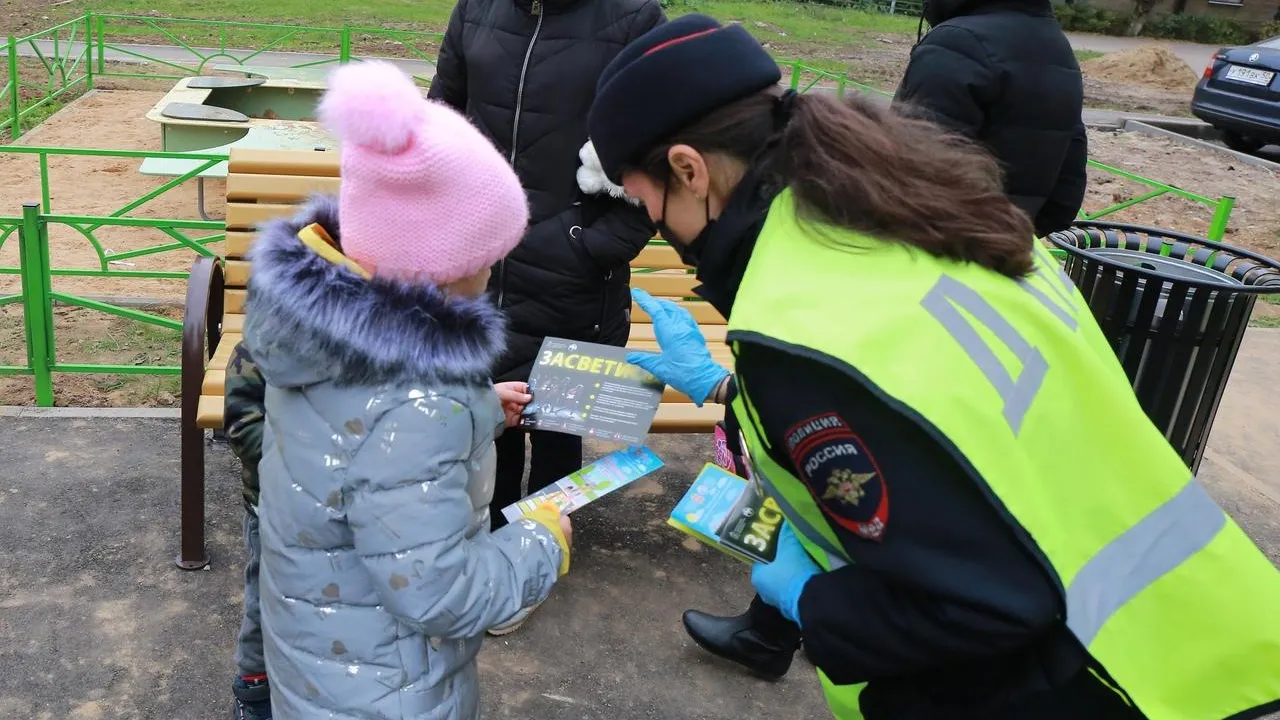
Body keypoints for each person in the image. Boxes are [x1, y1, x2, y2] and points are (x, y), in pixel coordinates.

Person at [586, 15, 1280, 719]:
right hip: (1214, 640)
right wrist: (726, 388)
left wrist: (812, 600)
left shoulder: (802, 322)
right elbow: (944, 416)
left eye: (646, 204)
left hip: (1093, 688)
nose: (659, 232)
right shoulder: (938, 218)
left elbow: (972, 607)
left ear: (688, 168)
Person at [243, 61, 572, 719]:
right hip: (390, 691)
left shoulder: (325, 342)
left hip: (320, 662)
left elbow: (359, 445)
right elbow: (440, 592)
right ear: (444, 266)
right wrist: (541, 542)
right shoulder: (417, 404)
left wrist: (477, 410)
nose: (491, 269)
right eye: (486, 255)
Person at [428, 0, 665, 623]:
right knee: (487, 415)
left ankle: (540, 555)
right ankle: (485, 557)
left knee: (557, 427)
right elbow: (440, 117)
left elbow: (663, 146)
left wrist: (592, 245)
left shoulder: (633, 17)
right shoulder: (477, 9)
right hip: (478, 259)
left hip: (575, 275)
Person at [893, 0, 1088, 238]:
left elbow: (908, 175)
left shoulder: (957, 42)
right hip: (1009, 250)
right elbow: (1065, 195)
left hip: (936, 247)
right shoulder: (1058, 47)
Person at [224, 342, 271, 719]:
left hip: (342, 514)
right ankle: (253, 687)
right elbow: (241, 427)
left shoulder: (368, 342)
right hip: (272, 509)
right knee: (265, 601)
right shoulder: (260, 349)